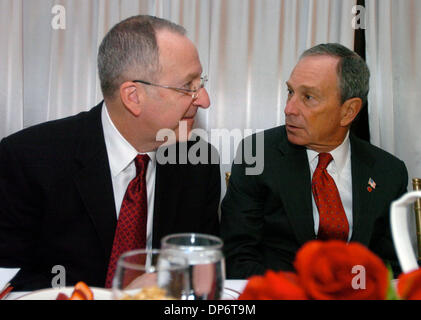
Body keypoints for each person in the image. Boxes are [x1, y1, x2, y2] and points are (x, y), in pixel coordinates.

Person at [0, 15, 220, 291]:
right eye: (188, 86)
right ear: (133, 96)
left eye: (201, 83)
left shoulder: (198, 163)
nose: (205, 100)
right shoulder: (28, 159)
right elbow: (10, 277)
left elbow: (201, 269)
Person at [220, 43, 408, 279]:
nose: (289, 109)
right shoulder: (258, 154)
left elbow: (391, 266)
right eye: (290, 92)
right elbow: (237, 256)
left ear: (348, 111)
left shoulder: (388, 172)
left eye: (308, 97)